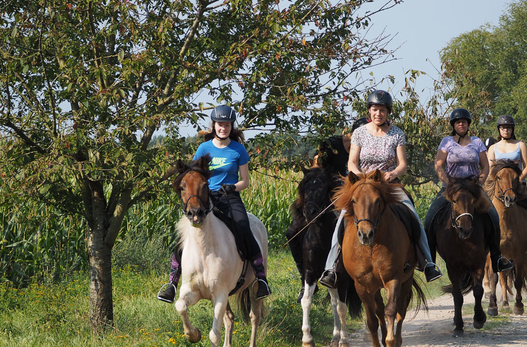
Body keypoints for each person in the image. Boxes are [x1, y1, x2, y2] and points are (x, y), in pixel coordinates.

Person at [319, 90, 443, 288]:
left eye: (382, 110)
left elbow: (402, 164)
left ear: (388, 112)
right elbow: (352, 162)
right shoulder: (359, 133)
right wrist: (360, 177)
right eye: (375, 109)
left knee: (412, 214)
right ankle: (331, 267)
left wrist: (393, 174)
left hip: (388, 186)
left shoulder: (397, 134)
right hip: (362, 185)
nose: (378, 113)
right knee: (342, 218)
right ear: (370, 111)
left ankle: (427, 262)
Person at [157, 105, 271, 302]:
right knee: (184, 235)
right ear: (214, 125)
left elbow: (245, 181)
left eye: (227, 125)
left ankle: (261, 279)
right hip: (206, 199)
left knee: (244, 227)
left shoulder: (238, 149)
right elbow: (193, 175)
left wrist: (232, 187)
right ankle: (172, 283)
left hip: (230, 197)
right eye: (220, 124)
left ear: (231, 126)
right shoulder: (204, 148)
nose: (223, 128)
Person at [287, 117, 369, 302]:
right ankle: (305, 280)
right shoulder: (332, 145)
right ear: (352, 132)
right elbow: (316, 166)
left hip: (353, 198)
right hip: (326, 197)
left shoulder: (367, 150)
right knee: (292, 231)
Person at [423, 108, 514, 274]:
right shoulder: (446, 142)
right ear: (453, 125)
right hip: (451, 189)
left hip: (473, 189)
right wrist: (447, 181)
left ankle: (497, 258)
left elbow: (485, 166)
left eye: (464, 122)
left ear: (468, 124)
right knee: (429, 220)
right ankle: (430, 263)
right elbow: (438, 165)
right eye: (458, 122)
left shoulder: (477, 142)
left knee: (493, 217)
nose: (461, 124)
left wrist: (480, 179)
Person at [487, 115, 527, 262]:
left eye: (508, 128)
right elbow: (490, 170)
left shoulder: (520, 145)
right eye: (503, 128)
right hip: (499, 187)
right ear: (499, 130)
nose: (506, 130)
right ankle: (485, 247)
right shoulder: (493, 148)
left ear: (512, 129)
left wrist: (518, 181)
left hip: (518, 186)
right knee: (484, 211)